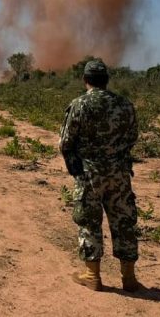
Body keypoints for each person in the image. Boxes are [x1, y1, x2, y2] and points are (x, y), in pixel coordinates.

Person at [60, 60, 140, 292]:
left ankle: (92, 275)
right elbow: (132, 136)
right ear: (106, 80)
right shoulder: (124, 104)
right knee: (124, 222)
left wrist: (75, 166)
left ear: (85, 79)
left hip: (90, 175)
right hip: (120, 175)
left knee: (89, 221)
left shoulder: (79, 104)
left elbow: (66, 142)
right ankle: (129, 278)